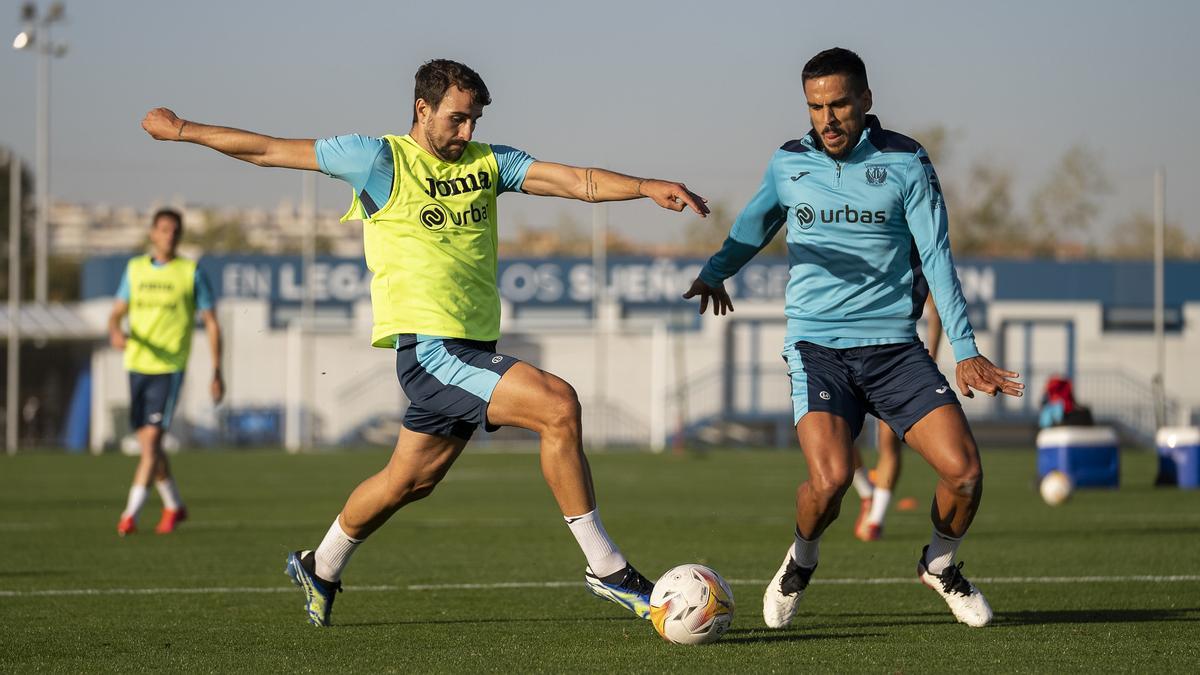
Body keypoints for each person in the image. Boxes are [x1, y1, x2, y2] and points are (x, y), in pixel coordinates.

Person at [141, 59, 709, 627]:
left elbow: (572, 181)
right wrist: (183, 129)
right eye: (458, 119)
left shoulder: (489, 162)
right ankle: (606, 568)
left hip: (473, 347)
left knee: (408, 482)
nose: (467, 133)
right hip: (433, 353)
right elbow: (267, 149)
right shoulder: (377, 158)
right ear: (423, 108)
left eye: (474, 122)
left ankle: (322, 564)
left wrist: (642, 187)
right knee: (558, 405)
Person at [682, 48, 1022, 628]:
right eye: (816, 107)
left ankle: (939, 565)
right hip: (817, 350)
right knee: (832, 478)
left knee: (964, 473)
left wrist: (964, 349)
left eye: (839, 103)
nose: (827, 118)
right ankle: (800, 561)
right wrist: (715, 271)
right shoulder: (789, 164)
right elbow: (753, 226)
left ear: (865, 100)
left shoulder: (907, 162)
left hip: (895, 350)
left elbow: (937, 257)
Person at [108, 208, 224, 536]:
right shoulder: (135, 269)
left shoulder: (191, 273)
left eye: (174, 230)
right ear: (152, 234)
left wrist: (217, 370)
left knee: (153, 443)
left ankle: (129, 515)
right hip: (136, 365)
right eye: (163, 230)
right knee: (150, 446)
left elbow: (212, 323)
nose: (169, 235)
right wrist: (115, 329)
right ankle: (174, 504)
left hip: (169, 368)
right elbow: (116, 312)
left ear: (180, 235)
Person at [851, 295, 942, 542]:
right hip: (847, 357)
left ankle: (875, 520)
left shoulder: (917, 259)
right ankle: (866, 492)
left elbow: (937, 311)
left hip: (894, 362)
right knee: (840, 437)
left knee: (888, 441)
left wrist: (930, 357)